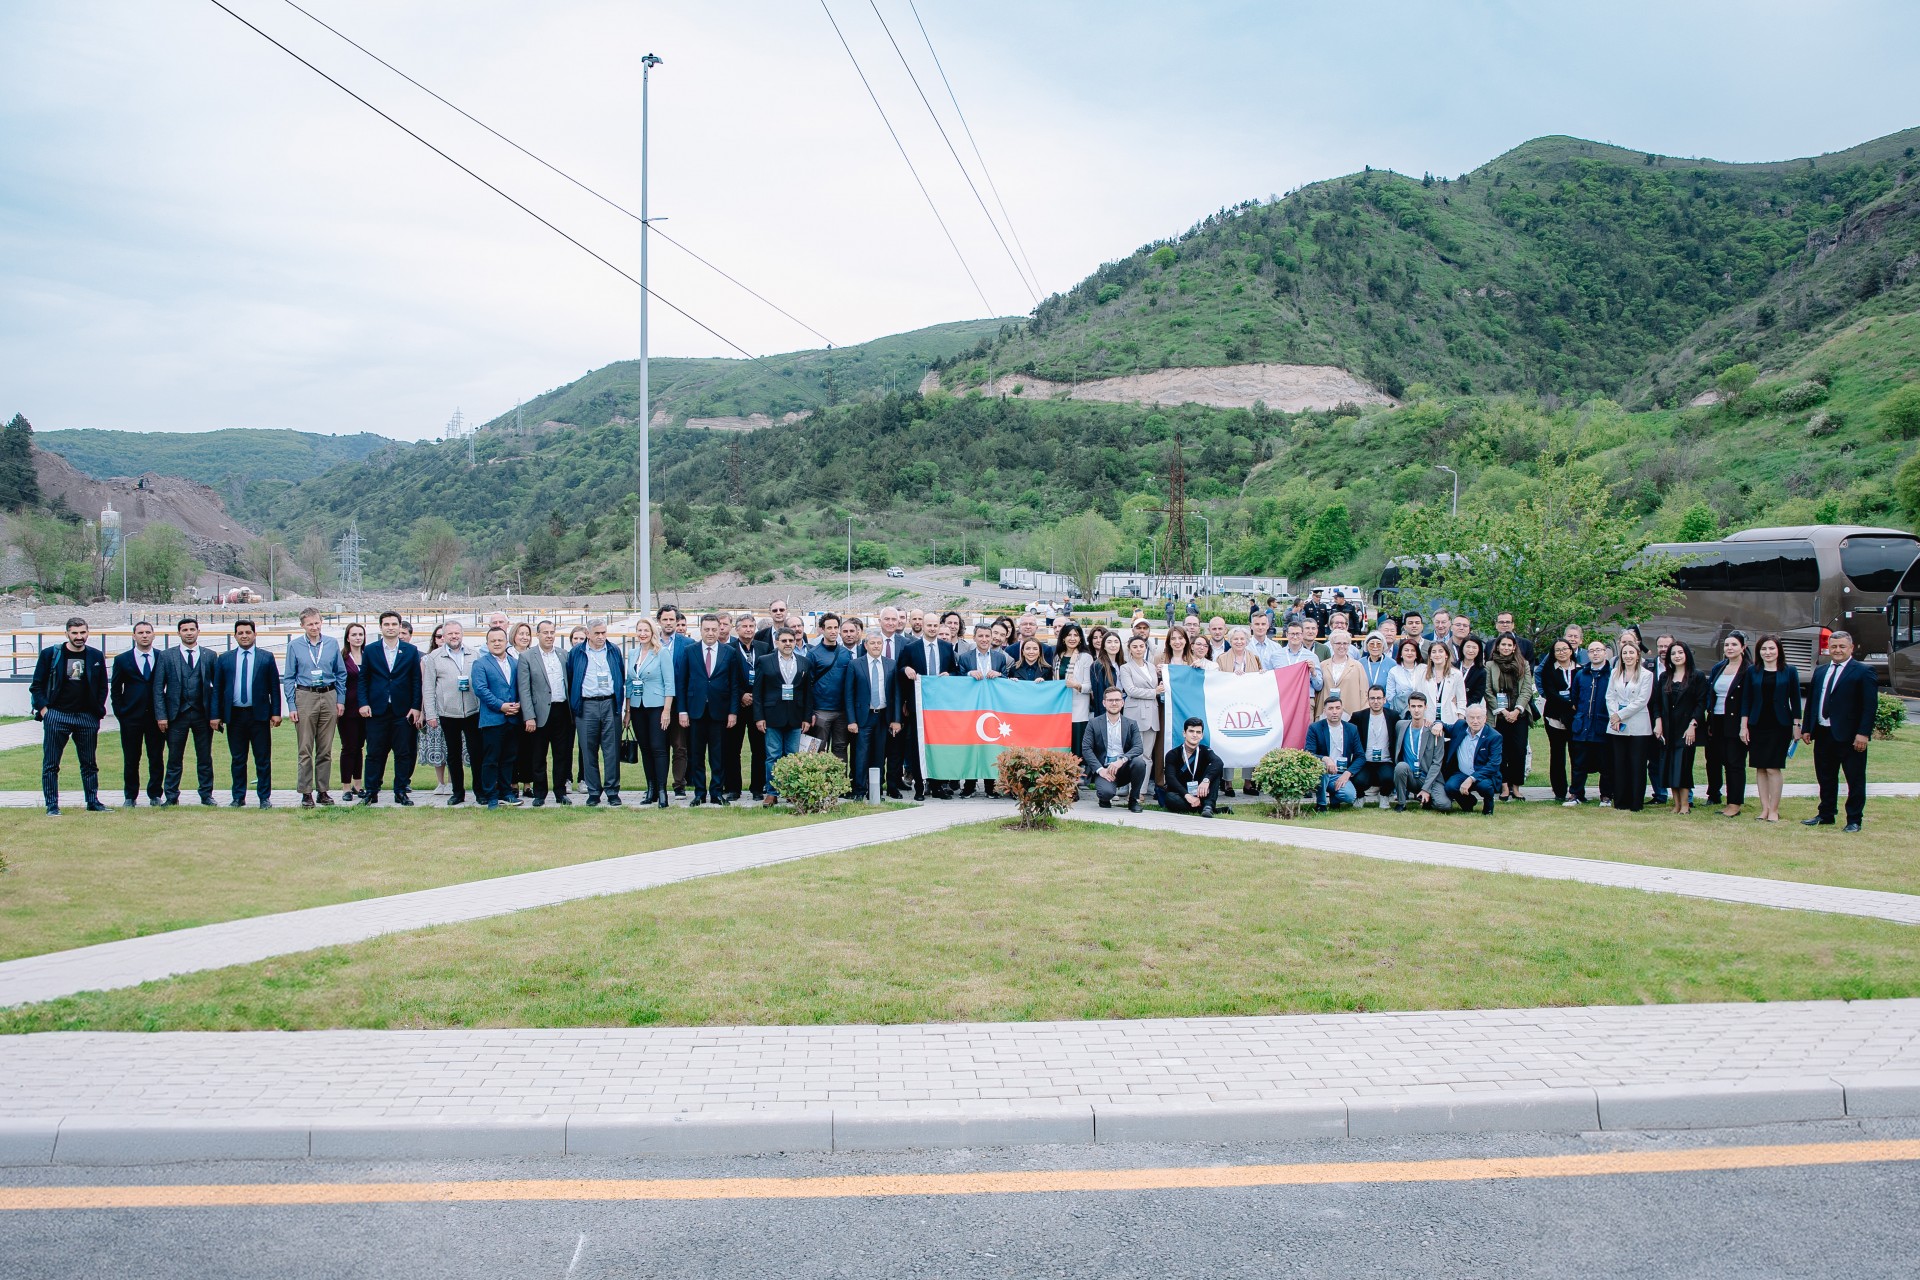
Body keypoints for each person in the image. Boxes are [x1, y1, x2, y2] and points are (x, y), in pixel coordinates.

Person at [31, 616, 109, 816]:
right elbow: (36, 686)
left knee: (89, 763)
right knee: (51, 764)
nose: (79, 637)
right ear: (67, 633)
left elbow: (102, 686)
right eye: (74, 633)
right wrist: (45, 711)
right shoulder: (51, 654)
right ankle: (52, 805)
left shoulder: (96, 656)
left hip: (86, 717)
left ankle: (93, 802)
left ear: (88, 632)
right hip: (57, 715)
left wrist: (96, 711)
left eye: (83, 632)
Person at [1801, 629, 1876, 832]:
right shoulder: (1821, 671)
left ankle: (1854, 819)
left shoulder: (1862, 671)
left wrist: (1863, 733)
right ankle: (1826, 814)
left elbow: (1869, 706)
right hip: (1824, 733)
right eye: (1834, 646)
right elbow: (1812, 702)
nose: (1837, 650)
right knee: (1825, 777)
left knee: (1855, 778)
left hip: (1850, 736)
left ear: (1851, 648)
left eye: (1842, 646)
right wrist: (1807, 727)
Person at [210, 618, 282, 809]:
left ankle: (264, 797)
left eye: (248, 632)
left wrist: (276, 712)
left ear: (255, 634)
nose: (244, 636)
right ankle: (238, 796)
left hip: (258, 715)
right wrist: (215, 715)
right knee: (238, 759)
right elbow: (217, 689)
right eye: (240, 633)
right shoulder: (224, 658)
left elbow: (274, 687)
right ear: (235, 635)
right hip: (234, 716)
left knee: (262, 759)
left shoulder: (266, 657)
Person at [674, 613, 742, 806]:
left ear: (719, 629)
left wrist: (733, 712)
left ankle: (716, 793)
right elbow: (682, 683)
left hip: (719, 712)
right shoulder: (690, 651)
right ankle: (699, 793)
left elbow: (734, 685)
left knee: (718, 755)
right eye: (707, 629)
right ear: (701, 630)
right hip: (695, 712)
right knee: (696, 755)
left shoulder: (729, 652)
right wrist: (682, 711)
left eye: (714, 629)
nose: (711, 633)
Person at [282, 607, 346, 808]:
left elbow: (341, 673)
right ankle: (306, 792)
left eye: (317, 623)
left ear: (321, 622)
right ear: (302, 625)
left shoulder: (331, 643)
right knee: (305, 748)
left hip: (328, 695)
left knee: (325, 748)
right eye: (309, 624)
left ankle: (323, 790)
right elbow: (289, 677)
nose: (314, 627)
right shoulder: (295, 646)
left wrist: (340, 699)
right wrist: (292, 704)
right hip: (305, 696)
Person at [357, 611, 423, 805]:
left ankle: (401, 791)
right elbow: (363, 679)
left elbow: (416, 681)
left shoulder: (410, 651)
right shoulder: (370, 650)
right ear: (381, 627)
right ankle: (371, 791)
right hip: (377, 710)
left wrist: (415, 707)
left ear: (400, 626)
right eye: (387, 624)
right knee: (374, 753)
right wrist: (363, 703)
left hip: (402, 711)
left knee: (403, 753)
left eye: (394, 624)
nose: (391, 627)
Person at [156, 617, 217, 806]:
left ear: (198, 631)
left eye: (192, 629)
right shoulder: (167, 656)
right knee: (174, 757)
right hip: (177, 715)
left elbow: (216, 688)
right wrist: (161, 715)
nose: (189, 632)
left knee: (205, 757)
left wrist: (216, 715)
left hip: (202, 714)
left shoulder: (209, 655)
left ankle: (206, 794)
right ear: (179, 633)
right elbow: (158, 688)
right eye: (185, 630)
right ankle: (171, 796)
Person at [422, 621, 484, 807]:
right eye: (449, 634)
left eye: (457, 633)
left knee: (476, 754)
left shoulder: (474, 654)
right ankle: (457, 792)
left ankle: (480, 791)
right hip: (448, 713)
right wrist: (431, 714)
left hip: (473, 711)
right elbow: (428, 687)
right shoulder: (434, 657)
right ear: (444, 636)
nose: (454, 636)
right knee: (453, 755)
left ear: (462, 634)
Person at [897, 617, 959, 799]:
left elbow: (955, 671)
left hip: (939, 707)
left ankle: (937, 786)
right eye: (929, 625)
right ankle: (919, 787)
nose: (932, 629)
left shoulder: (946, 648)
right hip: (918, 705)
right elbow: (900, 671)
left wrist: (950, 674)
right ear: (922, 627)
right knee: (917, 747)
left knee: (937, 746)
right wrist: (906, 669)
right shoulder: (910, 648)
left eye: (935, 626)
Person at [1742, 634, 1801, 824]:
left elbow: (1796, 700)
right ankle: (1764, 809)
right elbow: (1746, 700)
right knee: (1760, 767)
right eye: (1764, 649)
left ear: (1779, 650)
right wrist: (1744, 726)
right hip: (1757, 724)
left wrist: (1797, 725)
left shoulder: (1790, 671)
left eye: (1771, 649)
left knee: (1773, 768)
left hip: (1780, 724)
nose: (1768, 652)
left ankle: (1774, 809)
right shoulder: (1753, 671)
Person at [756, 627, 816, 806]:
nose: (788, 644)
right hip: (772, 715)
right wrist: (759, 717)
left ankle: (791, 791)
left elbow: (807, 693)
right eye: (784, 641)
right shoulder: (765, 661)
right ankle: (772, 792)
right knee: (773, 755)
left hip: (796, 716)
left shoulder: (804, 662)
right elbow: (758, 692)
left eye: (791, 640)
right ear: (777, 642)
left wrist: (806, 717)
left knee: (793, 755)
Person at [570, 617, 627, 806]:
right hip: (587, 705)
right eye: (597, 633)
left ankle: (612, 791)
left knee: (611, 750)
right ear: (588, 634)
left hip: (609, 703)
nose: (601, 636)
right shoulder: (577, 653)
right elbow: (572, 677)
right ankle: (593, 792)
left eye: (604, 633)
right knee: (588, 750)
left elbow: (620, 674)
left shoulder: (613, 650)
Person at [517, 619, 574, 807]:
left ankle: (560, 792)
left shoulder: (563, 654)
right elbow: (524, 690)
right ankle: (540, 794)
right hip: (539, 713)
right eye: (545, 633)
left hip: (562, 711)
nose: (549, 636)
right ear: (538, 635)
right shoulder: (527, 657)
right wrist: (529, 716)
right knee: (538, 755)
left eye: (552, 632)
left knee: (561, 755)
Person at [109, 619, 165, 808]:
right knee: (131, 758)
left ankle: (155, 794)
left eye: (147, 632)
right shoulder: (122, 660)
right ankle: (130, 795)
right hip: (131, 717)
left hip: (156, 718)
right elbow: (115, 689)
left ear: (153, 635)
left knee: (156, 757)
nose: (144, 636)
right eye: (140, 633)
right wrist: (121, 713)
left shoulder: (162, 657)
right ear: (134, 636)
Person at [1653, 640, 1710, 816]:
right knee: (1670, 766)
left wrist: (1693, 725)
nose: (1677, 656)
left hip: (1687, 729)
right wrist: (1658, 722)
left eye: (1680, 653)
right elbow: (1656, 702)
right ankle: (1676, 804)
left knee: (1682, 766)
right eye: (1673, 653)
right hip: (1669, 728)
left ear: (1687, 655)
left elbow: (1701, 703)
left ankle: (1685, 805)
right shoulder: (1664, 677)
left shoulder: (1697, 676)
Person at [623, 618, 675, 808]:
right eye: (639, 630)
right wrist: (627, 711)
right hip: (637, 707)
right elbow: (629, 683)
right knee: (645, 748)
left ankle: (662, 791)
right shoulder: (634, 652)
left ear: (652, 632)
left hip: (657, 707)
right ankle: (650, 788)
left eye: (646, 630)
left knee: (658, 748)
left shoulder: (661, 653)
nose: (642, 633)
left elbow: (670, 684)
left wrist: (666, 710)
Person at [958, 622, 1012, 799]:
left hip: (992, 709)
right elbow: (957, 681)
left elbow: (1005, 681)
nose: (984, 639)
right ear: (974, 638)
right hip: (972, 709)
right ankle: (969, 785)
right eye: (980, 636)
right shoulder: (965, 658)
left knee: (991, 746)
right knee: (971, 746)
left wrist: (999, 675)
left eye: (987, 636)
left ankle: (991, 786)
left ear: (992, 638)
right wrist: (968, 675)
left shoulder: (999, 658)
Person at [472, 625, 522, 809]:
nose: (497, 643)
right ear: (487, 643)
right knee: (491, 759)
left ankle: (506, 792)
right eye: (492, 641)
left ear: (506, 642)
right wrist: (501, 706)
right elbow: (481, 690)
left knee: (509, 758)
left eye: (500, 640)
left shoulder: (515, 663)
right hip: (493, 719)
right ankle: (490, 795)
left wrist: (519, 704)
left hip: (513, 719)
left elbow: (521, 687)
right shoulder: (481, 664)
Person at [1702, 633, 1752, 817]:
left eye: (1734, 644)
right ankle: (1714, 794)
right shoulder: (1719, 667)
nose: (1729, 648)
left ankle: (1734, 803)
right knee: (1713, 759)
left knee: (1734, 762)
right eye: (1727, 645)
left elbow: (1748, 698)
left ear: (1743, 647)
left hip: (1736, 721)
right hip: (1716, 720)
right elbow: (1711, 692)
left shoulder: (1749, 670)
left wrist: (1744, 725)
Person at [845, 630, 899, 801]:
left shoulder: (891, 664)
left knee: (879, 756)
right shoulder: (855, 664)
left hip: (883, 717)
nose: (876, 646)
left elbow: (896, 694)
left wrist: (896, 719)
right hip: (863, 717)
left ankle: (875, 792)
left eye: (879, 643)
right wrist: (851, 720)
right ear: (866, 645)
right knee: (861, 756)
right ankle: (859, 791)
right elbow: (848, 694)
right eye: (873, 643)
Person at [1605, 636, 1655, 812]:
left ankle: (1635, 803)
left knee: (1637, 765)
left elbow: (1641, 701)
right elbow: (1609, 696)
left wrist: (1619, 715)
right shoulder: (1614, 673)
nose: (1627, 656)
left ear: (1638, 655)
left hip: (1638, 726)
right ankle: (1620, 801)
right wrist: (1614, 716)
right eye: (1624, 652)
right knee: (1619, 764)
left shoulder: (1647, 675)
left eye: (1631, 652)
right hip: (1616, 726)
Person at [1484, 633, 1534, 802]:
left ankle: (1516, 787)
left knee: (1519, 751)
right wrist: (1503, 711)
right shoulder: (1489, 665)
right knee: (1501, 752)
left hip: (1518, 714)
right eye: (1502, 644)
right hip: (1498, 715)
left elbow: (1527, 689)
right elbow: (1488, 691)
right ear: (1497, 646)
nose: (1505, 648)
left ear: (1514, 647)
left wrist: (1516, 711)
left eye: (1509, 645)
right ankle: (1504, 786)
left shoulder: (1523, 664)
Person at [1082, 685, 1147, 811]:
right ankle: (1104, 797)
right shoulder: (1093, 723)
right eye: (1110, 700)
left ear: (1122, 703)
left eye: (1117, 700)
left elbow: (1138, 747)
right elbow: (1086, 749)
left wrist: (1121, 760)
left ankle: (1133, 800)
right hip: (1104, 769)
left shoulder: (1131, 724)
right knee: (1106, 794)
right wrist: (1100, 770)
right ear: (1104, 703)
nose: (1114, 703)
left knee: (1139, 763)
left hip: (1123, 768)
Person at [1569, 639, 1614, 807]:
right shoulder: (1581, 674)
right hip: (1582, 726)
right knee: (1579, 763)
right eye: (1591, 650)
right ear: (1587, 654)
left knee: (1605, 764)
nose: (1595, 653)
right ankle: (1576, 794)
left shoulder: (1612, 674)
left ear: (1605, 652)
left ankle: (1606, 795)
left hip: (1602, 725)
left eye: (1599, 650)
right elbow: (1575, 697)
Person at [726, 613, 766, 803]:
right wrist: (741, 694)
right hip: (737, 705)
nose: (748, 629)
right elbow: (726, 678)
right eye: (744, 626)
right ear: (737, 628)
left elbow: (767, 676)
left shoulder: (764, 648)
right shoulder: (728, 649)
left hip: (758, 706)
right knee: (733, 748)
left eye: (751, 626)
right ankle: (733, 788)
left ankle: (758, 788)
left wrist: (755, 696)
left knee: (759, 749)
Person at [1537, 638, 1581, 805]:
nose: (1562, 652)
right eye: (1558, 650)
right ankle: (1560, 791)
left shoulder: (1580, 670)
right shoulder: (1548, 671)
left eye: (1565, 649)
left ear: (1571, 650)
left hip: (1575, 719)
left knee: (1576, 755)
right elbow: (1551, 693)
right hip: (1554, 717)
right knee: (1557, 755)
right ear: (1553, 654)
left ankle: (1577, 791)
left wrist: (1574, 705)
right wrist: (1571, 704)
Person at [653, 608, 691, 796]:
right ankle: (657, 786)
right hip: (655, 702)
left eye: (672, 619)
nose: (669, 623)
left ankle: (679, 785)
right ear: (659, 621)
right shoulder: (651, 643)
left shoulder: (688, 644)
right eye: (665, 619)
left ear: (677, 622)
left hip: (679, 703)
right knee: (658, 746)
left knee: (679, 746)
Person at [1393, 692, 1451, 812]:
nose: (1416, 710)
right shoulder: (1401, 726)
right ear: (1409, 707)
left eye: (1420, 706)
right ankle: (1401, 803)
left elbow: (1437, 763)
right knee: (1400, 767)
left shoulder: (1435, 732)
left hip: (1430, 778)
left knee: (1444, 806)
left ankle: (1426, 797)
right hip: (1411, 777)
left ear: (1426, 707)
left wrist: (1426, 789)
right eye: (1413, 706)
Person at [807, 612, 852, 770]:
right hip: (820, 710)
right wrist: (810, 711)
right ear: (821, 630)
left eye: (836, 627)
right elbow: (807, 685)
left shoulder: (846, 654)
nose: (833, 631)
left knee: (840, 749)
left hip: (841, 711)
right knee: (817, 749)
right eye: (829, 628)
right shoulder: (813, 654)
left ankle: (838, 785)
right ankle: (818, 785)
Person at [1442, 702, 1503, 815]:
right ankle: (1468, 803)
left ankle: (1488, 807)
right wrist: (1437, 724)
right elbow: (1444, 726)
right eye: (1472, 718)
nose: (1475, 721)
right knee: (1450, 787)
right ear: (1466, 718)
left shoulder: (1494, 736)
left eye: (1479, 718)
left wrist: (1471, 778)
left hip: (1483, 774)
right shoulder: (1460, 726)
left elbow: (1494, 764)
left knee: (1484, 786)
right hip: (1462, 772)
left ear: (1485, 718)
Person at [1118, 634, 1163, 789]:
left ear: (1146, 648)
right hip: (1135, 714)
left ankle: (1142, 791)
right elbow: (1130, 690)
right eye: (1135, 646)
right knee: (1134, 754)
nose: (1138, 649)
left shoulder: (1151, 666)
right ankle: (1132, 789)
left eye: (1141, 646)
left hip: (1152, 714)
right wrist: (1154, 692)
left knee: (1147, 755)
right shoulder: (1125, 668)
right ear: (1129, 650)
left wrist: (1158, 690)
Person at [1304, 693, 1362, 810]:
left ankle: (1334, 797)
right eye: (1330, 708)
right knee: (1323, 767)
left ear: (1342, 710)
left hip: (1340, 773)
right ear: (1325, 711)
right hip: (1321, 772)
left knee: (1350, 796)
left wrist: (1347, 773)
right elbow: (1308, 753)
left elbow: (1360, 756)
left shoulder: (1351, 729)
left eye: (1337, 708)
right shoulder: (1315, 728)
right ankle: (1321, 804)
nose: (1334, 712)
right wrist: (1325, 759)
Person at [1158, 716, 1224, 817]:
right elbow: (1170, 778)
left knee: (1215, 770)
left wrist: (1206, 780)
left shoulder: (1205, 751)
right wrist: (1187, 795)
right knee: (1170, 798)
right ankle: (1204, 807)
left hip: (1201, 792)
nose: (1194, 735)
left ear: (1202, 735)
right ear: (1184, 733)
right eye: (1191, 731)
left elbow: (1219, 762)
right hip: (1182, 794)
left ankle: (1208, 806)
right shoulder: (1172, 754)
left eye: (1198, 732)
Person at [1349, 684, 1399, 807]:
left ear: (1384, 699)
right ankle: (1360, 796)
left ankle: (1384, 795)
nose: (1376, 701)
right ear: (1368, 699)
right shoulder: (1358, 716)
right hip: (1364, 761)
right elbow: (1347, 732)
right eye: (1372, 698)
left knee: (1390, 777)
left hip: (1385, 760)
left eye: (1379, 698)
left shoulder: (1393, 716)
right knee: (1358, 780)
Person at [417, 624, 452, 795]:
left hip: (452, 707)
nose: (441, 639)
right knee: (436, 746)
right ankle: (440, 782)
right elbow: (426, 687)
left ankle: (453, 782)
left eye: (443, 636)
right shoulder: (426, 659)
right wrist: (424, 712)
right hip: (434, 709)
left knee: (453, 746)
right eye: (438, 636)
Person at [337, 622, 368, 801]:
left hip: (366, 709)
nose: (357, 638)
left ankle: (358, 784)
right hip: (347, 709)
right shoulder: (342, 657)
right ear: (347, 637)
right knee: (349, 747)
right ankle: (346, 787)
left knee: (360, 748)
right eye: (354, 634)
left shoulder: (368, 655)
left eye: (360, 634)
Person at [1057, 622, 1091, 773]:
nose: (1072, 638)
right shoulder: (1058, 657)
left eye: (1076, 635)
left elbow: (1089, 686)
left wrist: (1077, 685)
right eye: (1068, 635)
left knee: (1076, 748)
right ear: (1063, 638)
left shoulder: (1085, 657)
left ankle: (1075, 782)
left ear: (1080, 638)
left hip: (1078, 710)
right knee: (1062, 746)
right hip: (1061, 709)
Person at [1317, 631, 1367, 717]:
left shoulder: (1357, 666)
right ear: (1332, 645)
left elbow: (1364, 691)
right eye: (1338, 643)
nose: (1342, 646)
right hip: (1327, 711)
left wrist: (1364, 713)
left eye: (1345, 643)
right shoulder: (1323, 665)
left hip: (1350, 711)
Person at [1418, 641, 1467, 727]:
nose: (1437, 654)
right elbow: (1419, 698)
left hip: (1450, 720)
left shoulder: (1456, 674)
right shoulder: (1422, 674)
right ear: (1430, 657)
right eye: (1434, 652)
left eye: (1441, 651)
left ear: (1446, 655)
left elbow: (1461, 700)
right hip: (1428, 720)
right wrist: (1422, 718)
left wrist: (1460, 721)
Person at [1384, 637, 1424, 716]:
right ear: (1401, 654)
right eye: (1406, 650)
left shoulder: (1424, 669)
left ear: (1417, 654)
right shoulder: (1394, 671)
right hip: (1401, 713)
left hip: (1423, 712)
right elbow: (1390, 696)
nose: (1409, 653)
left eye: (1413, 650)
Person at [1457, 635, 1487, 712]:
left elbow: (1477, 697)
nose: (1470, 650)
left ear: (1479, 650)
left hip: (1469, 710)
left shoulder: (1481, 672)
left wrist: (1462, 706)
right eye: (1468, 646)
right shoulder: (1452, 667)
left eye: (1474, 648)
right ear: (1462, 647)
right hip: (1450, 709)